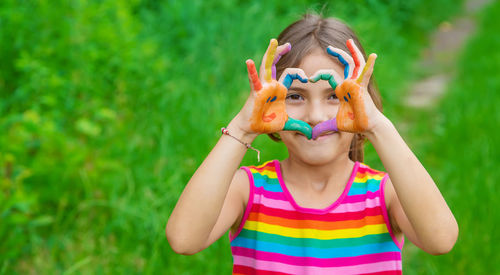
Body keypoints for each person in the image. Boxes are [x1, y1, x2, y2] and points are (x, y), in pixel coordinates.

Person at [166, 13, 458, 274]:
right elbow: (184, 239)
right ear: (270, 103)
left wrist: (377, 126)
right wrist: (242, 129)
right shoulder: (250, 191)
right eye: (295, 96)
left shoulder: (384, 194)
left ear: (363, 103)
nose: (316, 116)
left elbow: (440, 239)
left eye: (335, 96)